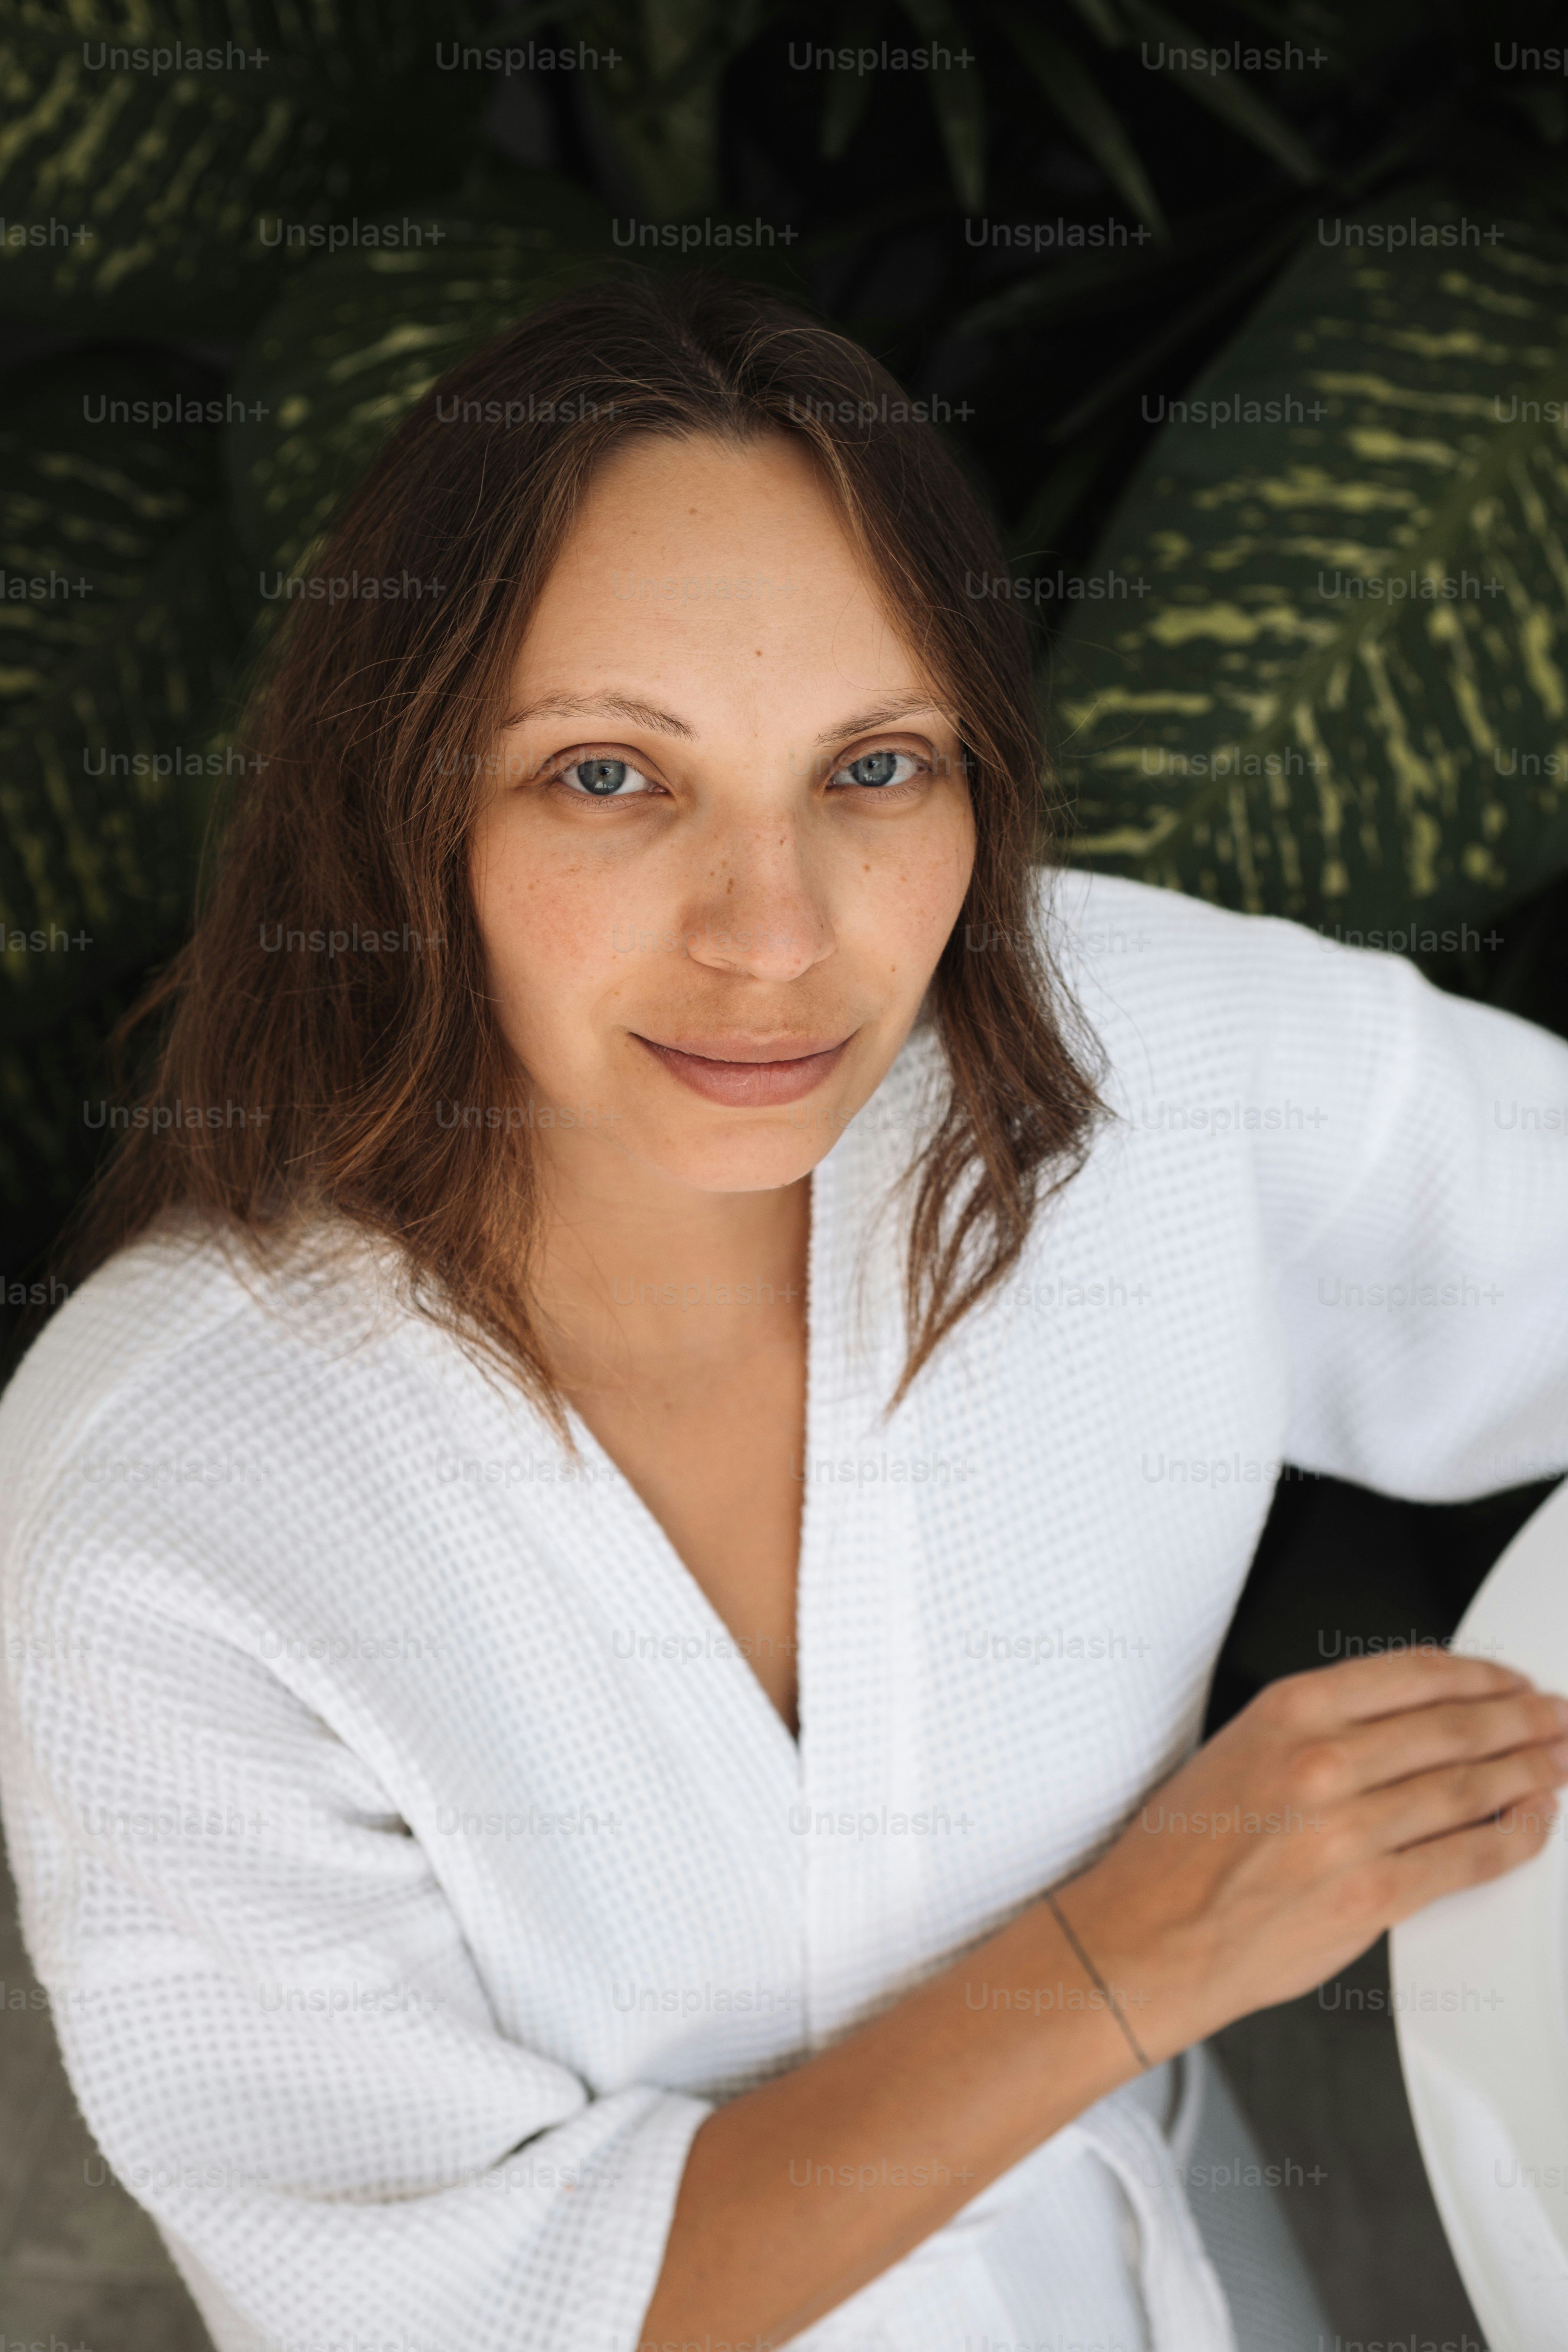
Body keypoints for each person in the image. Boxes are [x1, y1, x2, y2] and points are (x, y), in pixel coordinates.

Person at [2, 271, 1566, 2352]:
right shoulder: (171, 1492)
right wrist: (1145, 1946)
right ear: (402, 799)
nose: (777, 936)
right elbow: (447, 2310)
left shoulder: (1145, 1052)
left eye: (877, 767)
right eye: (610, 779)